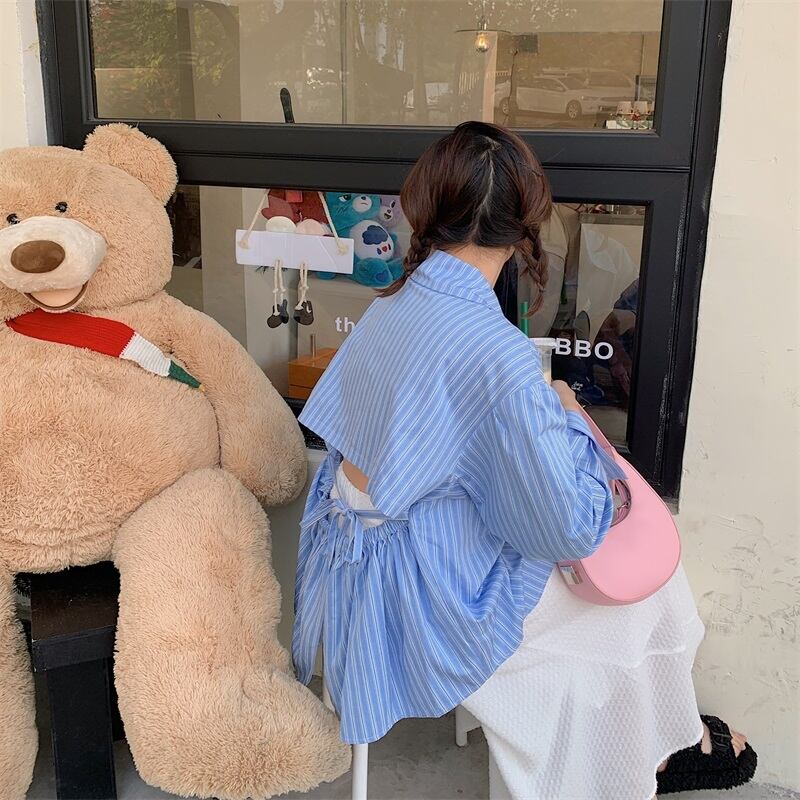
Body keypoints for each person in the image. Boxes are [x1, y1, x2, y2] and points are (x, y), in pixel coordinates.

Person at [292, 121, 757, 799]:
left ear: (428, 206)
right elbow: (566, 527)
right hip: (421, 592)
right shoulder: (496, 350)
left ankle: (653, 744)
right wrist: (567, 416)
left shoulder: (389, 307)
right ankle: (642, 755)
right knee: (644, 595)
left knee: (618, 591)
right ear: (523, 227)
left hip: (352, 563)